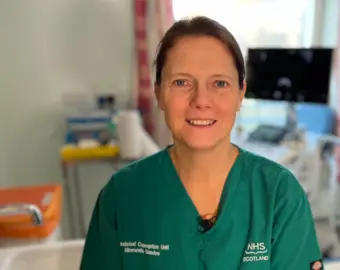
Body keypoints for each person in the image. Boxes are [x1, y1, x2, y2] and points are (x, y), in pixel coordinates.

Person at [80, 16, 323, 270]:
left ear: (240, 94)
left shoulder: (279, 196)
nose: (201, 100)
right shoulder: (121, 196)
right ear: (159, 93)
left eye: (219, 83)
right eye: (181, 82)